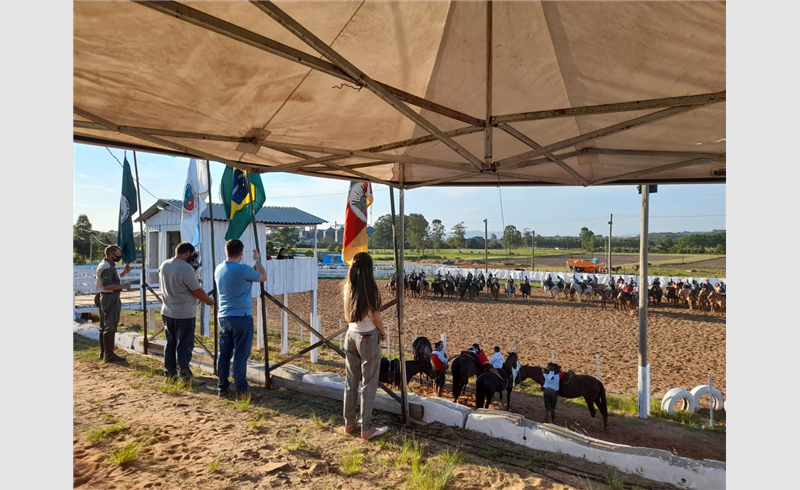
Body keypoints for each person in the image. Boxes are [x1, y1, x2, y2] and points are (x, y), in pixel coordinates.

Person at [341, 252, 389, 440]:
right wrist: (383, 334)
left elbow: (347, 317)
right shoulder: (372, 291)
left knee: (350, 381)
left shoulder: (348, 287)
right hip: (368, 336)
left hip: (351, 335)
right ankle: (366, 427)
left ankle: (349, 422)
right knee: (368, 383)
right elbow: (377, 319)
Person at [215, 239, 267, 399]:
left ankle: (222, 388)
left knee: (224, 355)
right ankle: (242, 391)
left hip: (224, 316)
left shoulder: (219, 269)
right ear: (241, 253)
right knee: (240, 356)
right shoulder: (243, 269)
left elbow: (244, 275)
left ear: (226, 251)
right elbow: (262, 277)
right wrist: (258, 260)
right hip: (241, 317)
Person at [158, 242, 215, 383]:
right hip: (184, 312)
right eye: (192, 254)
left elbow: (178, 282)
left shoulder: (165, 264)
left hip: (167, 310)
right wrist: (209, 301)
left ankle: (170, 374)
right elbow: (196, 290)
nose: (193, 257)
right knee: (184, 345)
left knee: (170, 344)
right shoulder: (186, 268)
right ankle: (185, 376)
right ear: (187, 253)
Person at [95, 245, 132, 362]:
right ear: (112, 254)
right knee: (110, 327)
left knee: (104, 326)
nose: (120, 256)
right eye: (118, 253)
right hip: (110, 298)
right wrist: (124, 287)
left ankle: (104, 352)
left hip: (105, 297)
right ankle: (109, 354)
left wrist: (123, 273)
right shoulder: (106, 266)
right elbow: (107, 285)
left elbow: (111, 280)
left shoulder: (107, 265)